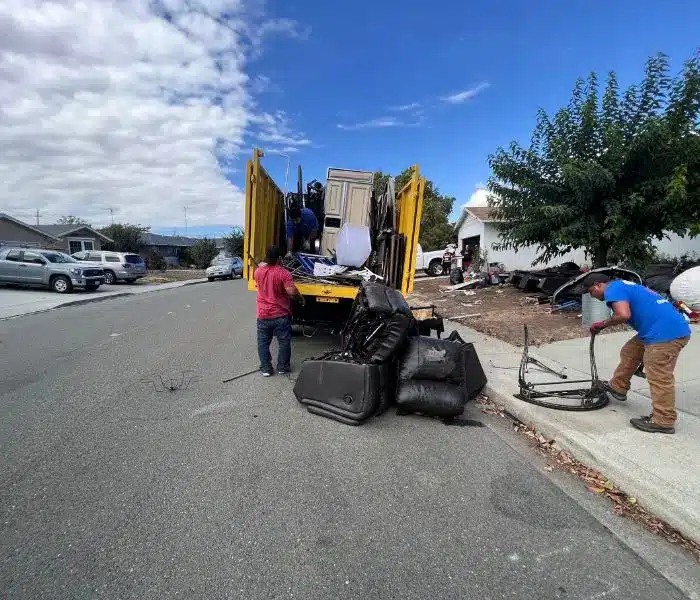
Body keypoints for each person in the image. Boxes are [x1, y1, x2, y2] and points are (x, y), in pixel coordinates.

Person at [587, 275, 691, 434]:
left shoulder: (612, 289)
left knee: (659, 375)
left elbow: (623, 315)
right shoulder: (623, 285)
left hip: (665, 333)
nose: (591, 296)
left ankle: (663, 420)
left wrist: (602, 324)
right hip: (660, 328)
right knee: (630, 351)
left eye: (591, 292)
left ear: (598, 284)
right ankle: (618, 387)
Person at [254, 245, 303, 376]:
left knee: (263, 342)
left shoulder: (258, 271)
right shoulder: (283, 273)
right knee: (284, 341)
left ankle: (266, 368)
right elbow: (291, 292)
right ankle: (282, 367)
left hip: (263, 314)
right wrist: (300, 298)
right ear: (279, 258)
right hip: (280, 314)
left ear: (266, 256)